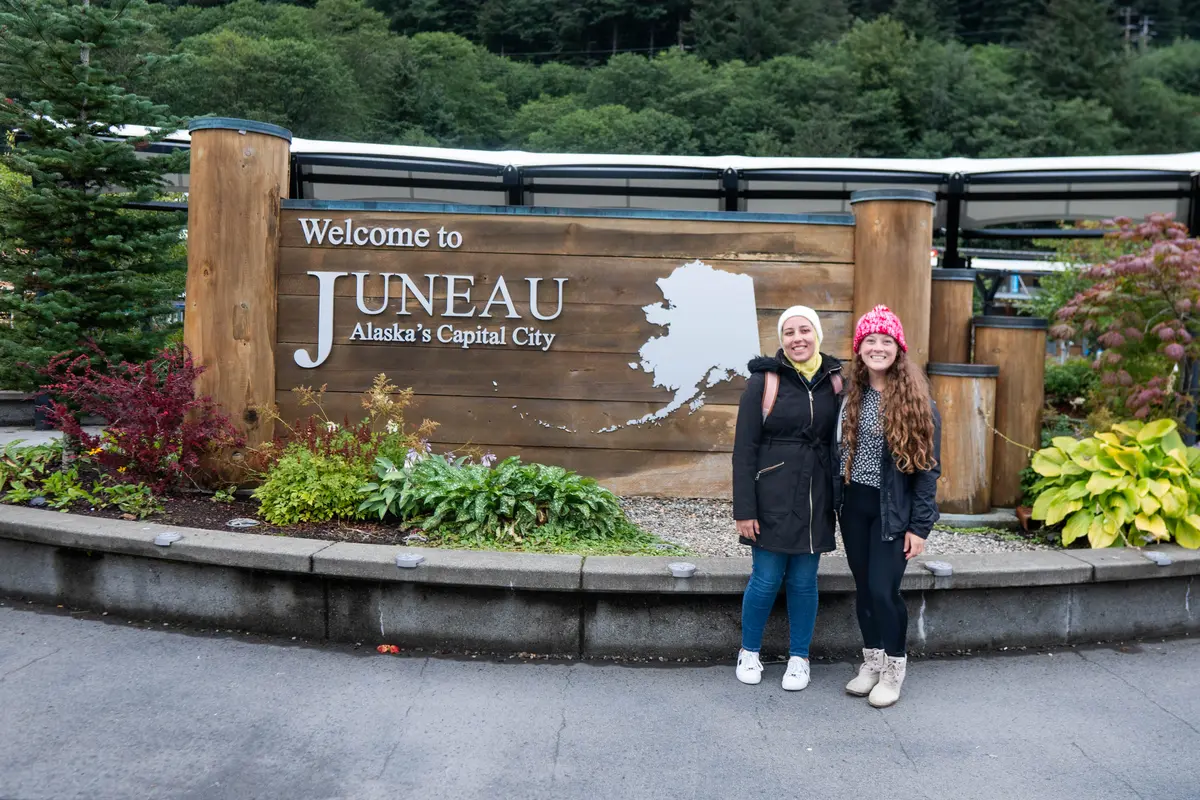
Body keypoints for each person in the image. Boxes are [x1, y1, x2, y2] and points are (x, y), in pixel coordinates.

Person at [731, 305, 843, 691]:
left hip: (815, 494)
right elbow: (744, 449)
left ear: (817, 335)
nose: (798, 338)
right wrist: (744, 509)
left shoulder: (835, 380)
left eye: (805, 330)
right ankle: (749, 650)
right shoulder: (765, 381)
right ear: (781, 340)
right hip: (772, 494)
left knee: (804, 581)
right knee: (765, 579)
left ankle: (799, 657)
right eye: (789, 332)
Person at [835, 305, 941, 708]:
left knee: (883, 590)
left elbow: (928, 471)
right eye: (870, 341)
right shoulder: (849, 395)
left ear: (898, 349)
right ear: (859, 348)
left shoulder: (917, 403)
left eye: (886, 341)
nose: (877, 347)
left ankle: (894, 669)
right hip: (854, 506)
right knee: (863, 590)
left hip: (892, 509)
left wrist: (920, 527)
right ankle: (872, 661)